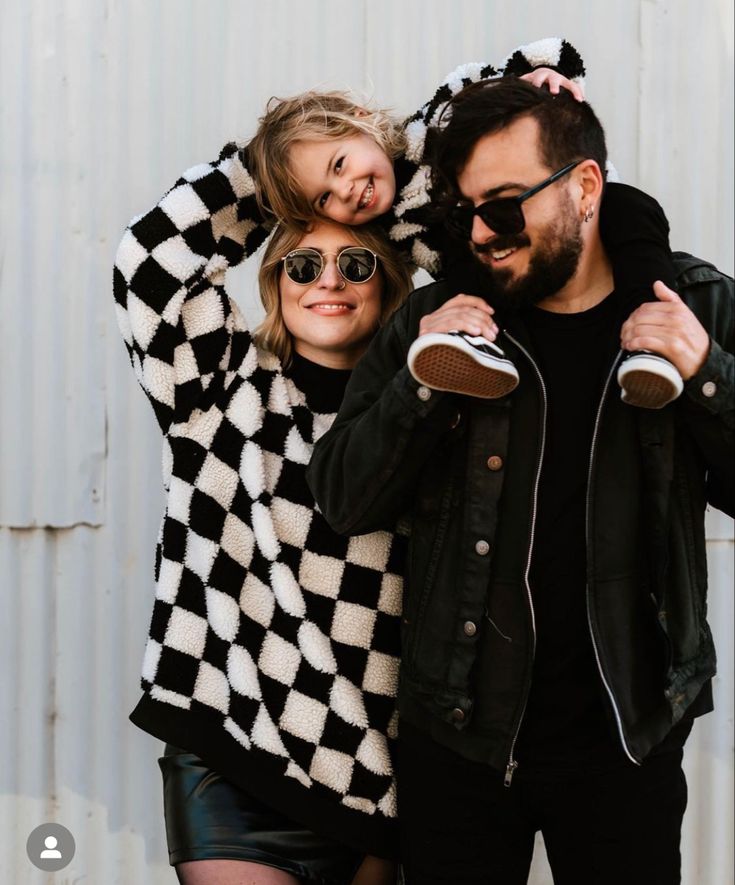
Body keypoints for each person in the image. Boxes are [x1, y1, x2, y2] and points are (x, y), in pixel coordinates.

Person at [306, 78, 734, 884]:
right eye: (465, 211)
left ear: (583, 186)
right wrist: (421, 381)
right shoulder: (439, 319)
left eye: (503, 205)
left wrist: (706, 372)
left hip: (626, 738)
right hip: (458, 737)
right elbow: (342, 498)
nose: (482, 235)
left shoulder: (693, 305)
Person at [113, 138, 414, 884]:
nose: (328, 282)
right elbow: (148, 259)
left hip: (375, 766)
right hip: (228, 742)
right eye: (303, 264)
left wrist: (384, 188)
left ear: (389, 284)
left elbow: (478, 261)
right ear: (275, 281)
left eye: (358, 263)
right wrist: (290, 178)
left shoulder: (425, 408)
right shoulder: (217, 383)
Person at [248, 37, 682, 409]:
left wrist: (541, 77)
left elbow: (546, 52)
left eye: (340, 164)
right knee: (461, 266)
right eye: (324, 197)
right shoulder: (385, 236)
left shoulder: (434, 124)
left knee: (633, 211)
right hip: (505, 270)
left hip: (572, 212)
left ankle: (651, 329)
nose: (344, 190)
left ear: (363, 121)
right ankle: (470, 344)